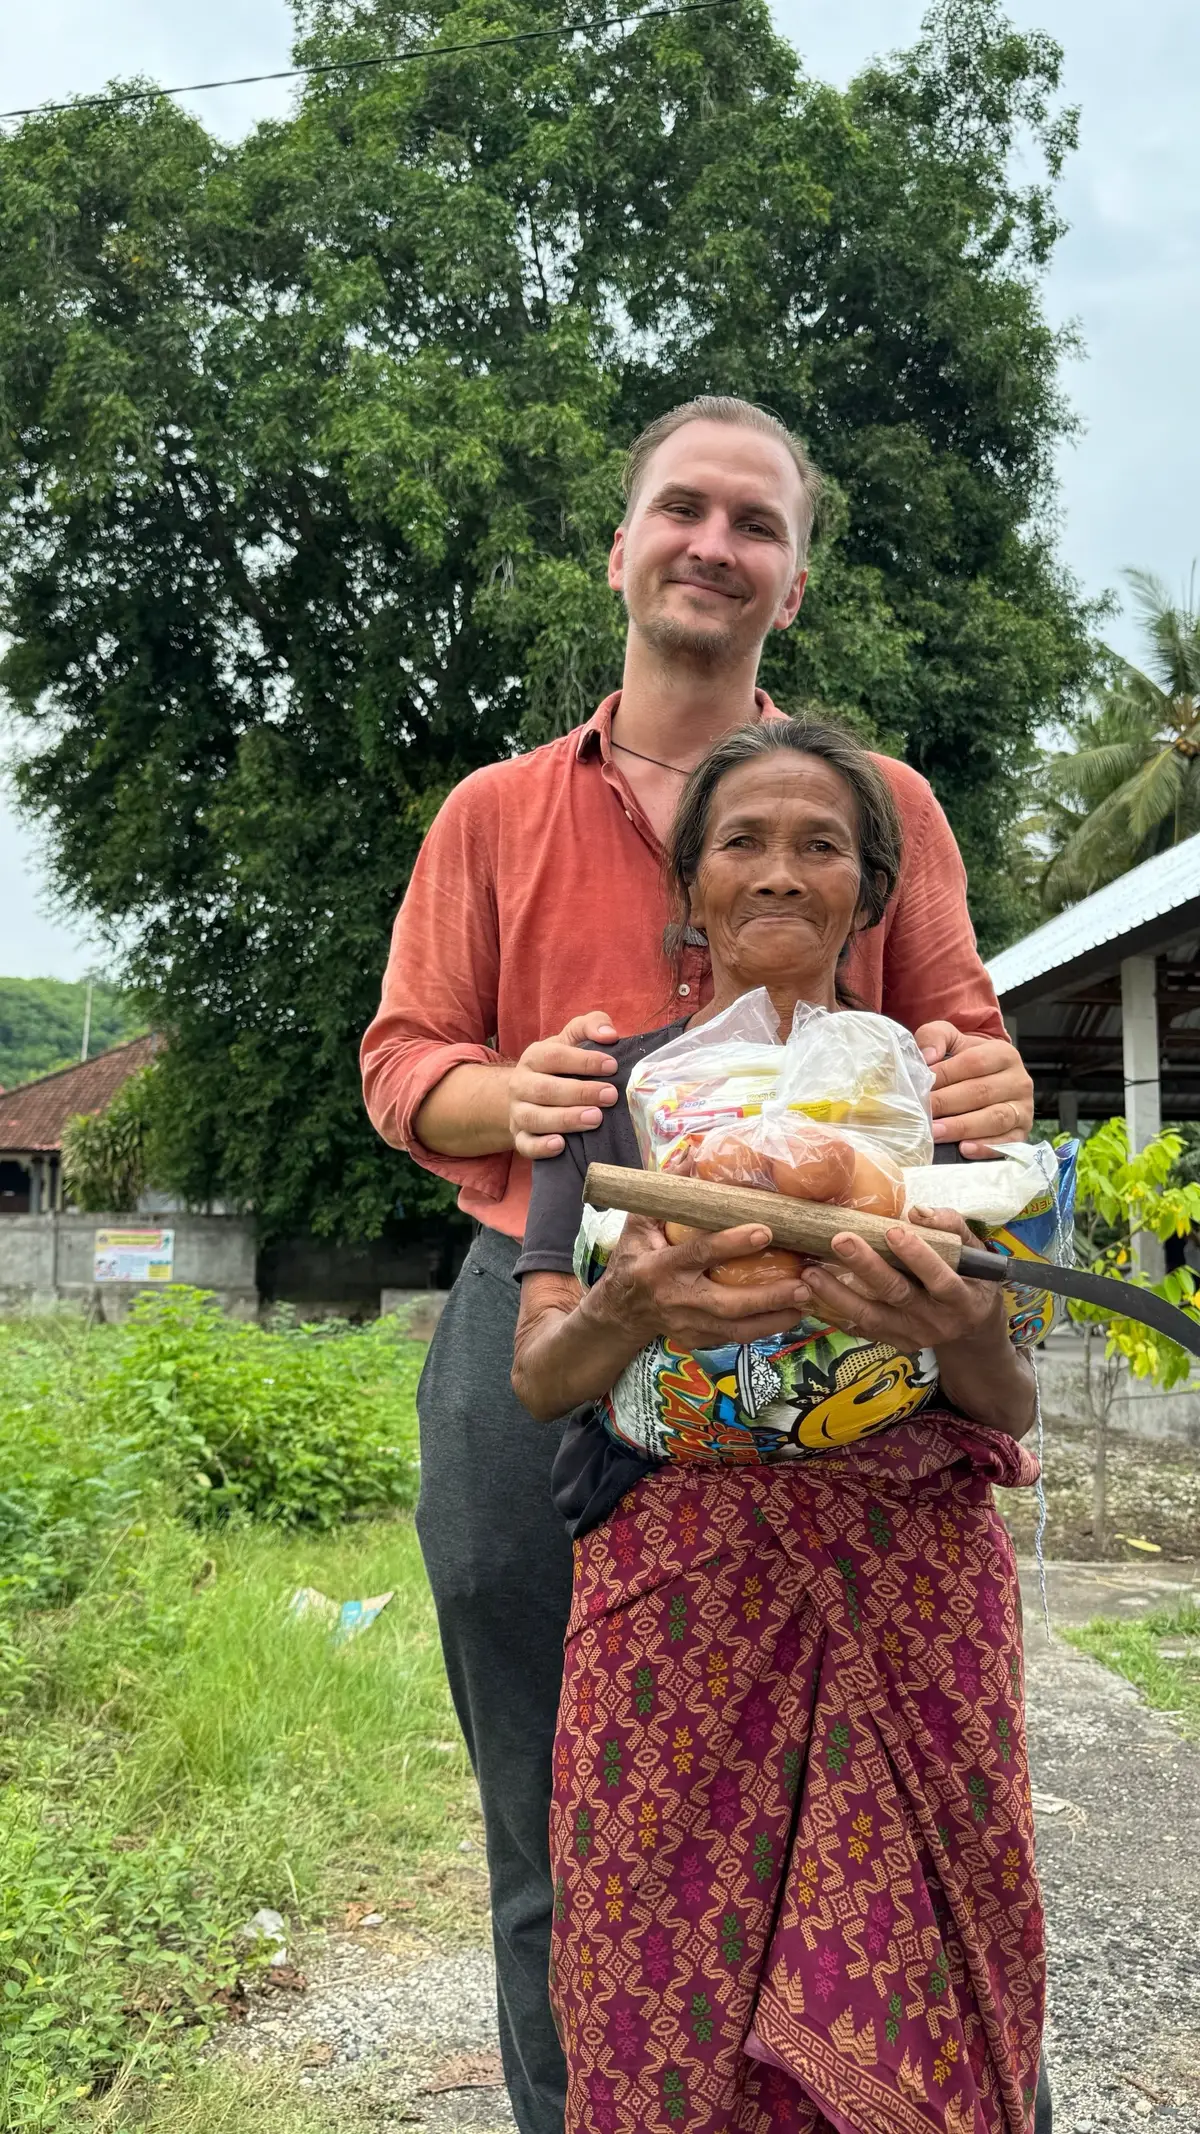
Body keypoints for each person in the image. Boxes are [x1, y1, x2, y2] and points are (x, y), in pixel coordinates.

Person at [360, 397, 1036, 2134]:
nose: (713, 544)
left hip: (846, 1367)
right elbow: (402, 1061)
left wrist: (978, 1075)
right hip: (561, 1322)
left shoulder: (876, 802)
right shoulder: (497, 813)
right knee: (564, 1817)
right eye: (685, 510)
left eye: (755, 523)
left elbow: (960, 1037)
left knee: (902, 1812)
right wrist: (518, 1096)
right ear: (624, 545)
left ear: (793, 581)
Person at [511, 715, 1045, 2134]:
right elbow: (541, 1376)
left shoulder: (940, 1110)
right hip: (675, 1603)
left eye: (821, 843)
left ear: (871, 893)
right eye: (743, 839)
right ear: (689, 888)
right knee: (654, 1965)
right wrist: (636, 1304)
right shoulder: (617, 1099)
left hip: (912, 1585)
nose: (780, 870)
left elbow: (1012, 1401)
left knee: (935, 1960)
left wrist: (954, 1325)